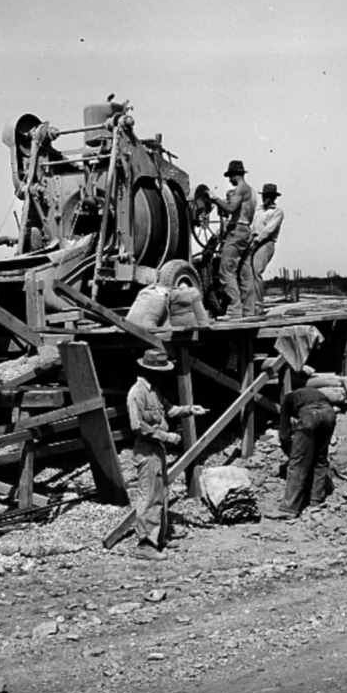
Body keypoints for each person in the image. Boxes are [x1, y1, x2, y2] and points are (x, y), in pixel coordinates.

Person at [126, 348, 208, 560]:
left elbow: (169, 410)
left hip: (157, 451)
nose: (164, 374)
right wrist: (167, 437)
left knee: (161, 494)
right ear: (149, 370)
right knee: (148, 497)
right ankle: (145, 544)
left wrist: (190, 409)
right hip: (146, 451)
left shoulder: (155, 391)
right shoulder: (137, 393)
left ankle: (159, 538)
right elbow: (137, 426)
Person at [267, 374, 336, 519]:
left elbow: (284, 434)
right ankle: (316, 501)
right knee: (320, 458)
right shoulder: (314, 393)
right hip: (330, 414)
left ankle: (289, 509)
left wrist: (291, 452)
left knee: (297, 464)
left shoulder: (287, 400)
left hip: (310, 415)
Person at [211, 159, 258, 318]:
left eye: (229, 177)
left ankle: (234, 311)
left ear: (233, 175)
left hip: (236, 232)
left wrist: (214, 198)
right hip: (246, 231)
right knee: (246, 274)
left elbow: (230, 208)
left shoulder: (240, 189)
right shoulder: (251, 191)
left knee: (226, 271)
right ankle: (248, 311)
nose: (229, 181)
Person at [250, 183, 285, 308]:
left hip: (265, 243)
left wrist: (257, 240)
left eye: (269, 196)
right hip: (254, 241)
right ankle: (250, 303)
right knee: (249, 272)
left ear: (274, 197)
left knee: (256, 271)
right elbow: (253, 225)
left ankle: (258, 303)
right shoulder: (259, 210)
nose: (266, 198)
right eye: (265, 196)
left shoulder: (277, 212)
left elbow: (269, 229)